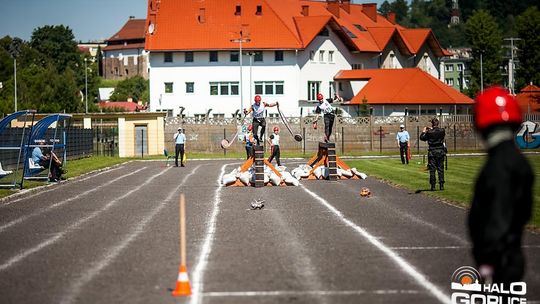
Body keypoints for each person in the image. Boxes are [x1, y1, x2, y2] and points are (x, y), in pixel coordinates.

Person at [468, 86, 533, 285]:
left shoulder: (499, 166)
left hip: (499, 258)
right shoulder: (516, 160)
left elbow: (498, 214)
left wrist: (488, 259)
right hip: (510, 253)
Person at [420, 117, 446, 191]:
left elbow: (422, 138)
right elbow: (438, 132)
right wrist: (431, 129)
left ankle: (433, 186)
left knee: (432, 169)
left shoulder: (429, 132)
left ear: (432, 124)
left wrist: (424, 131)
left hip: (432, 152)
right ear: (438, 123)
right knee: (441, 169)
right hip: (440, 151)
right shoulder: (442, 131)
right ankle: (441, 185)